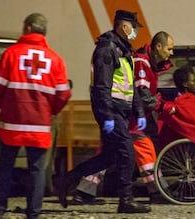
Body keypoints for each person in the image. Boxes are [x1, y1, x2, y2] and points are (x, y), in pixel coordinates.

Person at [56, 9, 151, 214]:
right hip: (112, 111)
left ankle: (66, 181)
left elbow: (130, 86)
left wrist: (139, 111)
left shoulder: (123, 50)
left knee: (109, 157)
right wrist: (107, 117)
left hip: (121, 112)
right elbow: (101, 86)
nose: (135, 32)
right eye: (133, 28)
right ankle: (125, 200)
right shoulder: (107, 49)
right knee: (127, 153)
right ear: (124, 26)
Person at [71, 31, 174, 204]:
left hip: (122, 114)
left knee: (108, 153)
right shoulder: (142, 63)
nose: (171, 53)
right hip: (128, 118)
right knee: (145, 149)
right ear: (158, 47)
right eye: (169, 49)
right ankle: (157, 192)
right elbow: (142, 94)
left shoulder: (145, 62)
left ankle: (83, 192)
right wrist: (162, 106)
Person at [0, 13, 72, 219]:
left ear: (27, 28)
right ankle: (33, 213)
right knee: (37, 170)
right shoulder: (55, 60)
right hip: (40, 126)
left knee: (5, 167)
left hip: (11, 123)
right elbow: (63, 93)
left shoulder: (11, 54)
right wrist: (51, 111)